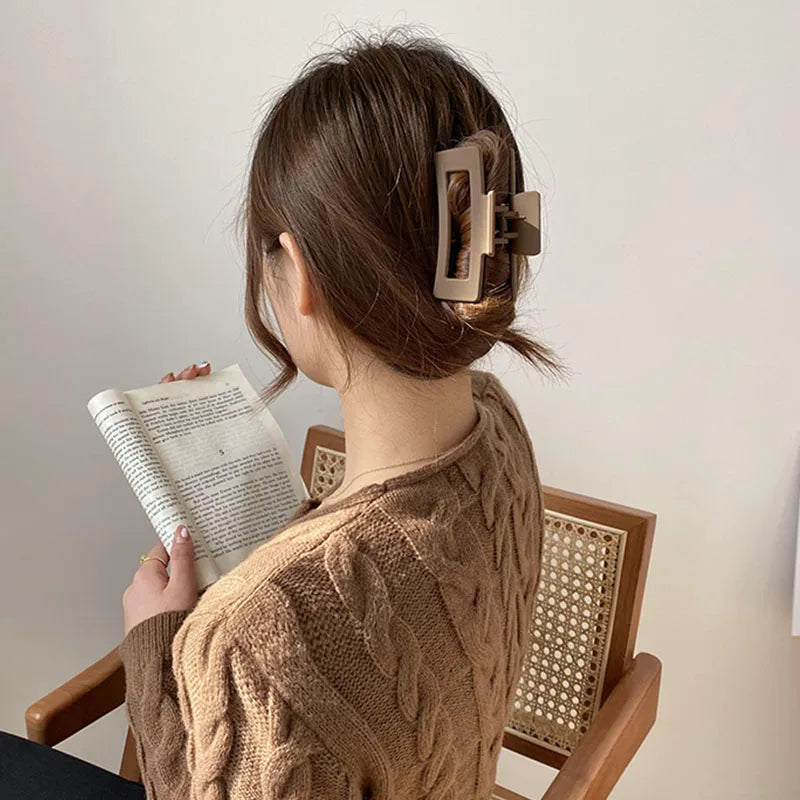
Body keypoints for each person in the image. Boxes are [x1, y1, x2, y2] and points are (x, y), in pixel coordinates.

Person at [0, 26, 569, 800]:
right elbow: (377, 576)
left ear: (297, 271)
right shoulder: (499, 433)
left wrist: (157, 640)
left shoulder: (260, 637)